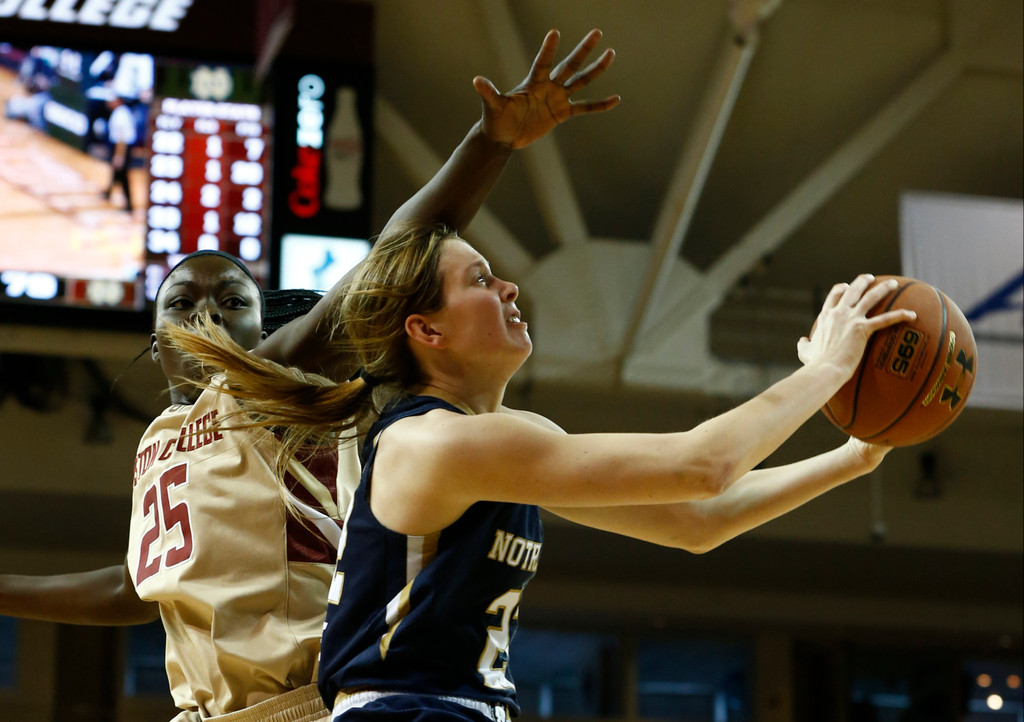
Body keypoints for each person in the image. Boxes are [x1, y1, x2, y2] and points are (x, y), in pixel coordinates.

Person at [0, 28, 620, 722]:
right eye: (182, 301)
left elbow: (395, 254)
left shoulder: (267, 380)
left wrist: (490, 142)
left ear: (263, 331)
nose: (206, 310)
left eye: (233, 301)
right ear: (155, 337)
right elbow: (135, 592)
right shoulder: (159, 442)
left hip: (305, 705)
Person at [169, 217, 917, 721]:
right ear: (426, 330)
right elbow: (703, 463)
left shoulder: (507, 441)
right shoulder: (432, 444)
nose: (510, 289)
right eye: (482, 280)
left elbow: (697, 521)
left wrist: (855, 456)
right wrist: (828, 368)